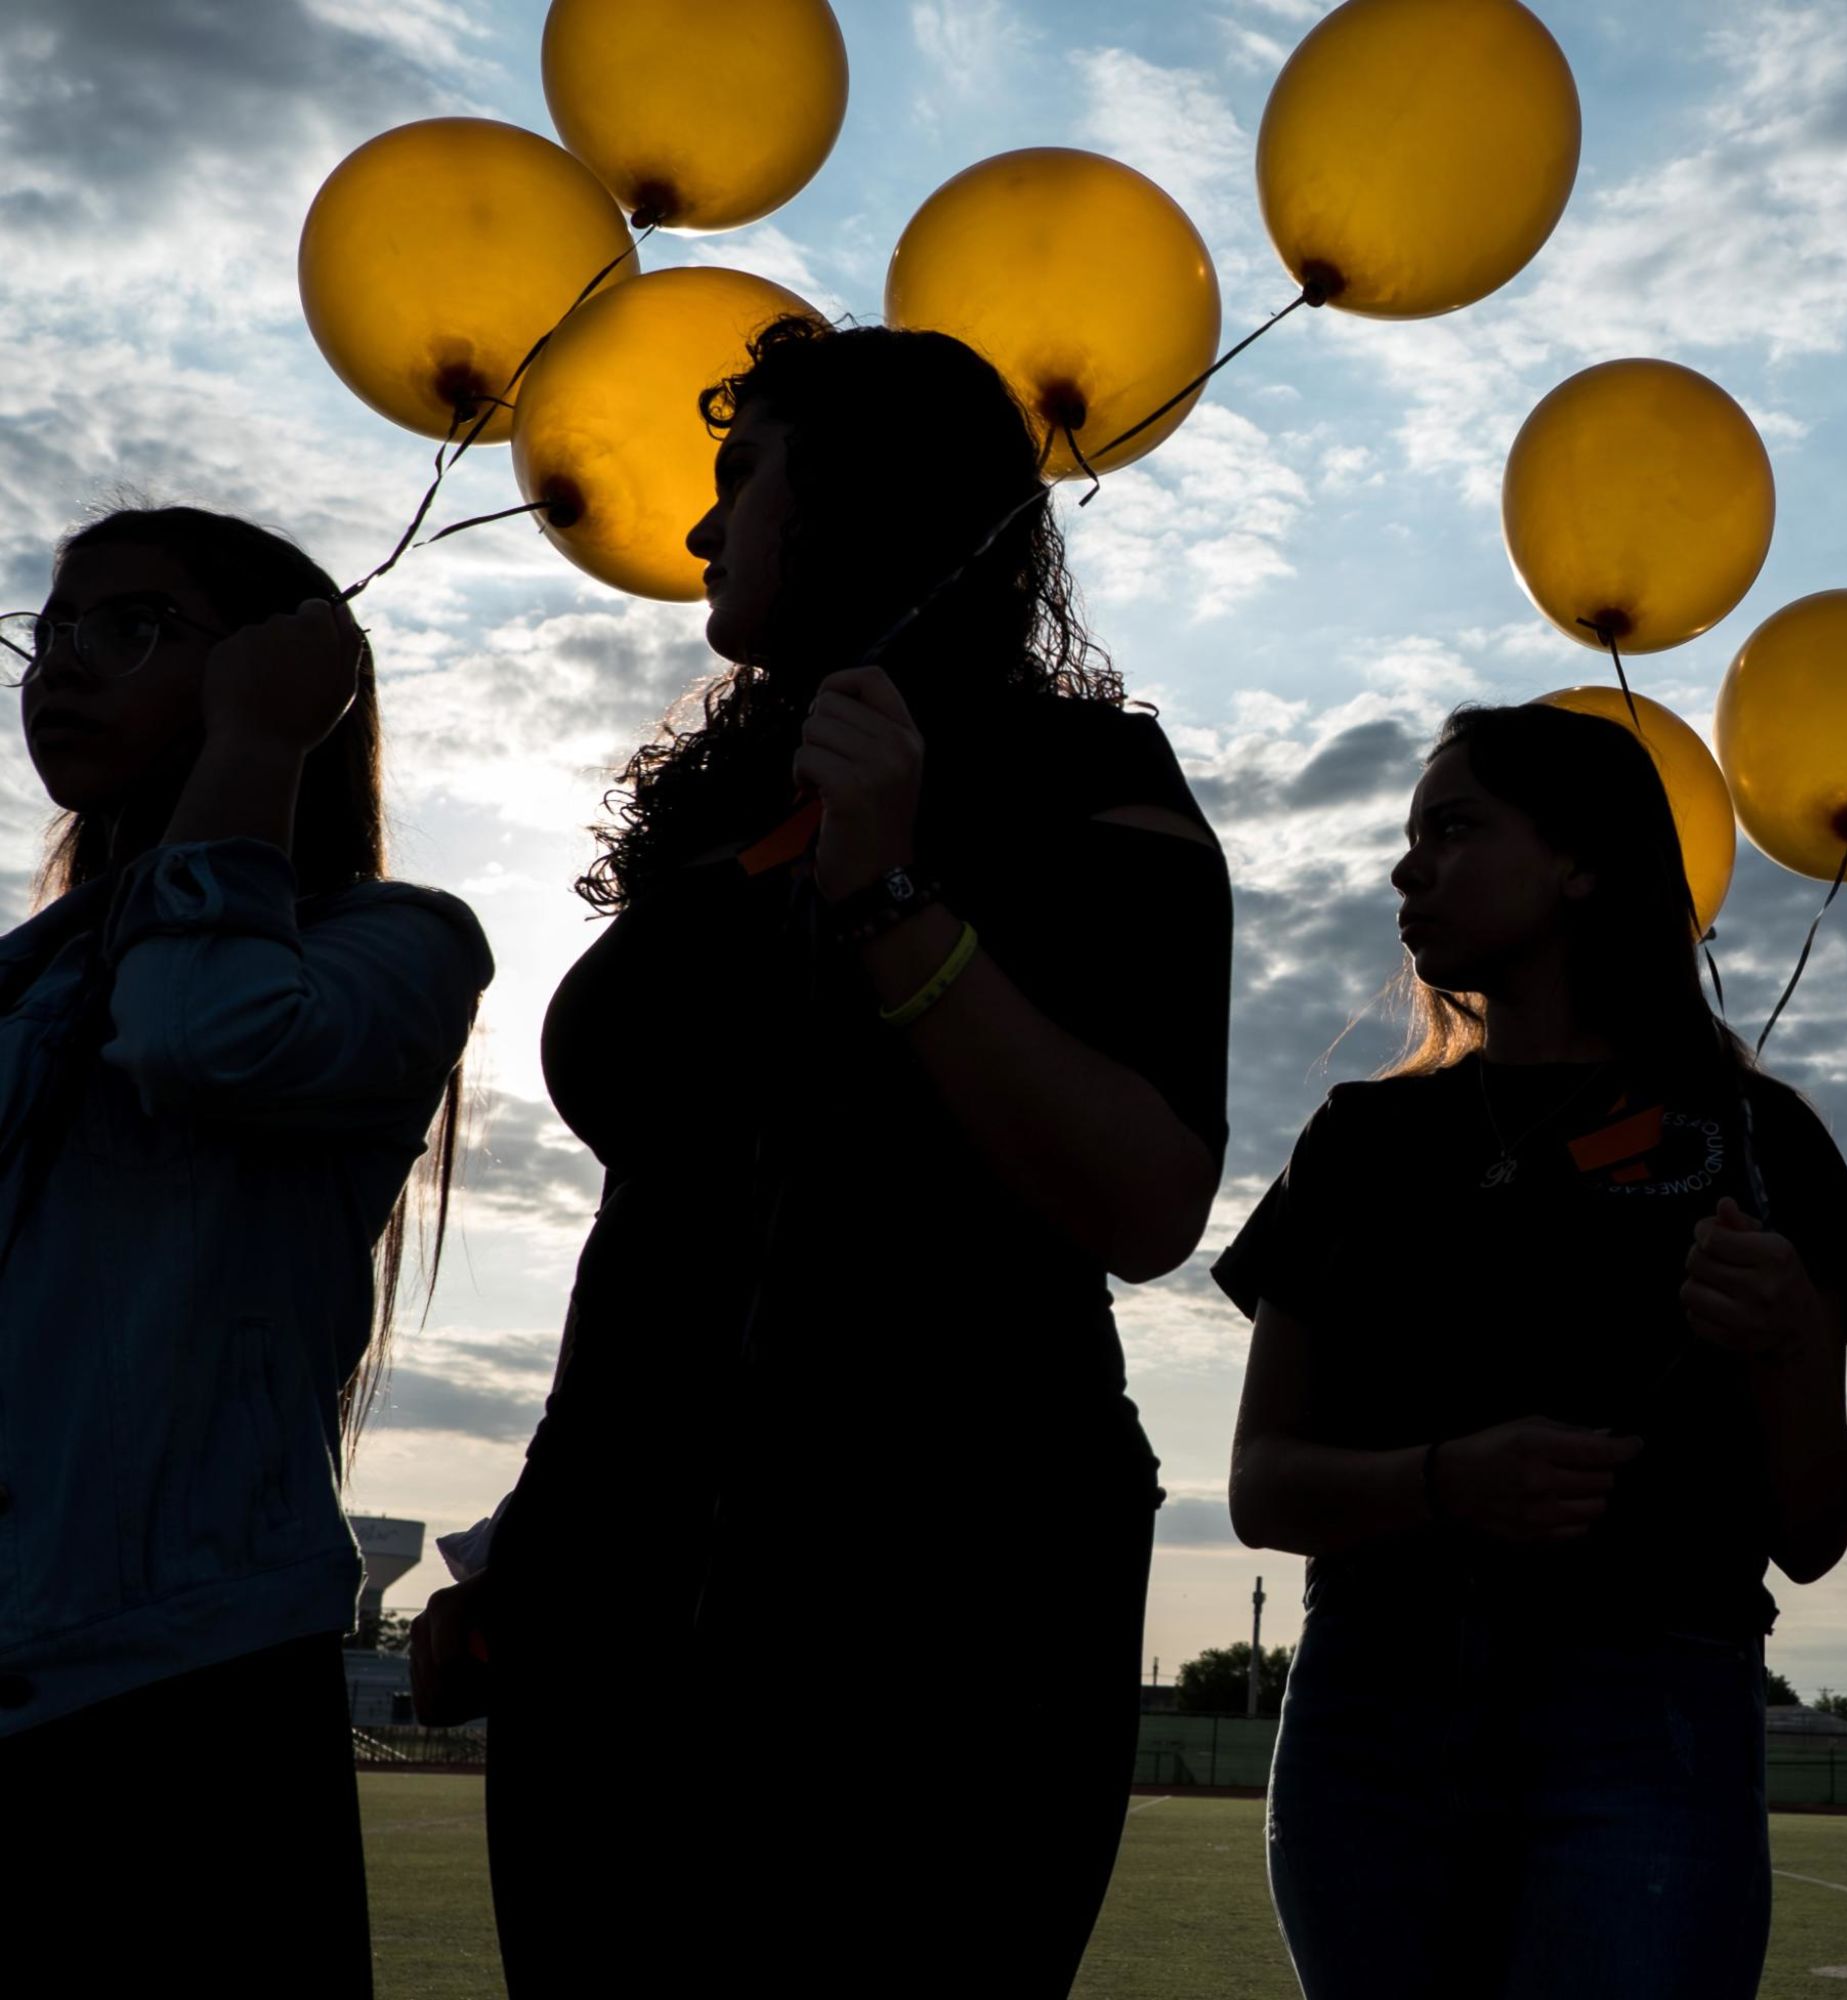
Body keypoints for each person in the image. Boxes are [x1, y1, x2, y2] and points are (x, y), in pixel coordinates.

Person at [408, 319, 1231, 1994]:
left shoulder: (1087, 784)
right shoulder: (723, 802)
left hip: (940, 1597)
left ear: (873, 493)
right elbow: (669, 1224)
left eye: (740, 478)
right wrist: (531, 1541)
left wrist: (888, 898)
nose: (702, 533)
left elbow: (1144, 1197)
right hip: (614, 1591)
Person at [1217, 701, 1847, 2000]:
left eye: (1454, 828)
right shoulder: (1360, 1143)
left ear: (1582, 861)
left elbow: (1812, 1533)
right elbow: (1262, 1489)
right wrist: (1444, 1482)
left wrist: (1796, 1347)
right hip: (1375, 1717)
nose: (1407, 868)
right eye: (1409, 837)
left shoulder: (1756, 1142)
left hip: (1648, 1709)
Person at [0, 507, 488, 1993]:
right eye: (51, 629)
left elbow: (202, 1037)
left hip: (179, 1676)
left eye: (131, 628)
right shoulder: (25, 974)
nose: (61, 669)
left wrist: (258, 752)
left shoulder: (395, 942)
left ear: (284, 674)